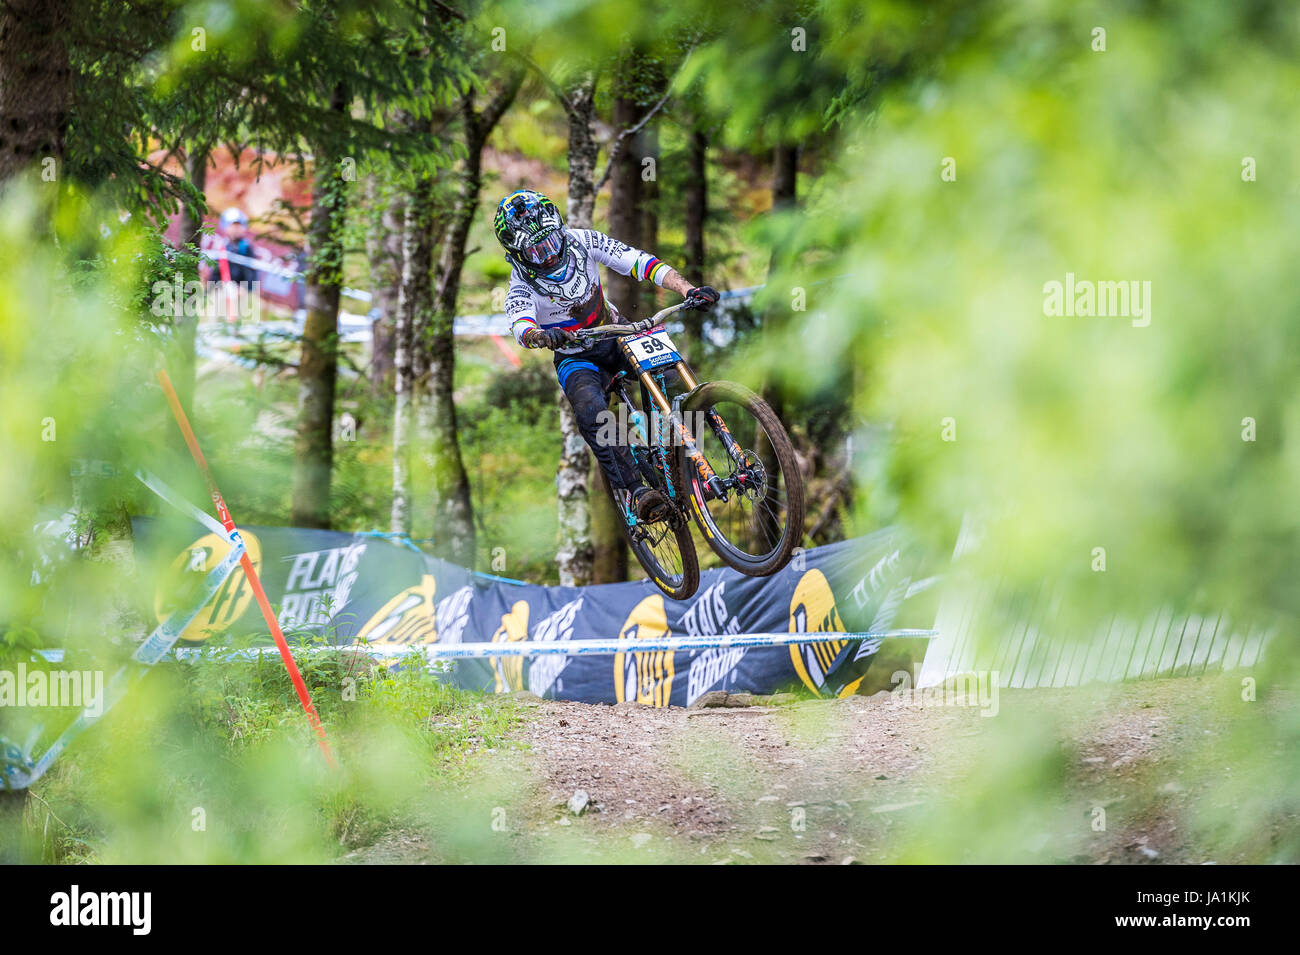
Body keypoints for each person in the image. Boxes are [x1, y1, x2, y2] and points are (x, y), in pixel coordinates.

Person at [492, 189, 720, 524]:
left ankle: (695, 456)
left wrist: (687, 290)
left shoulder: (583, 240)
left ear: (560, 229)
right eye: (537, 251)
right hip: (576, 358)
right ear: (518, 255)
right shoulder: (520, 287)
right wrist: (541, 335)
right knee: (591, 412)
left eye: (552, 242)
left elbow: (639, 262)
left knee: (673, 376)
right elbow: (521, 324)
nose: (550, 255)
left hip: (616, 334)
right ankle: (637, 490)